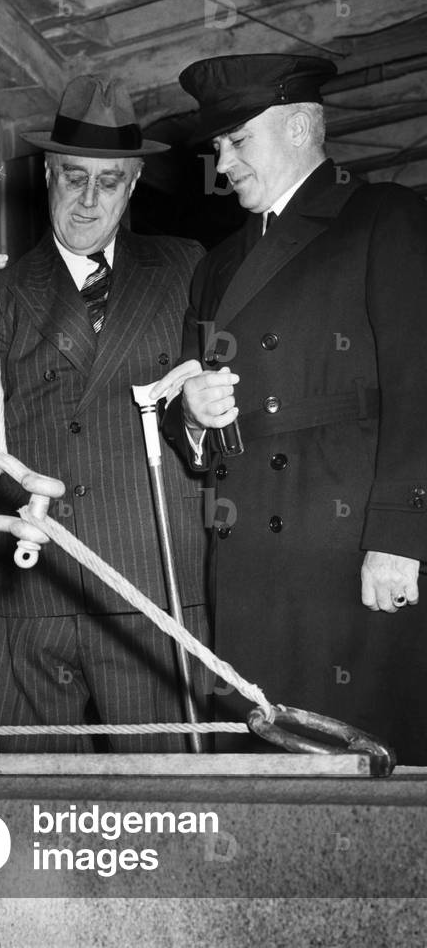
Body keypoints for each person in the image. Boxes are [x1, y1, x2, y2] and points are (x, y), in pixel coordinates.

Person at [0, 74, 209, 752]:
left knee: (173, 815)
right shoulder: (1, 289)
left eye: (110, 181)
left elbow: (213, 412)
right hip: (31, 595)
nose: (89, 200)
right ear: (46, 174)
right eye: (73, 177)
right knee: (21, 818)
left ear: (135, 182)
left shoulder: (186, 269)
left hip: (148, 591)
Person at [165, 53, 427, 764]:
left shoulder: (384, 216)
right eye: (216, 147)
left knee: (360, 772)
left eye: (237, 141)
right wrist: (190, 415)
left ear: (303, 127)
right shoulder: (215, 265)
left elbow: (417, 382)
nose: (221, 166)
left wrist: (401, 535)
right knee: (265, 781)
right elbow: (185, 417)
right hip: (248, 560)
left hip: (347, 556)